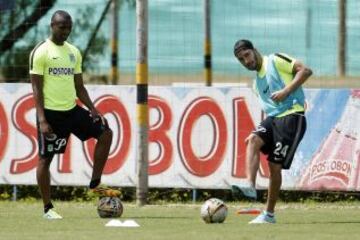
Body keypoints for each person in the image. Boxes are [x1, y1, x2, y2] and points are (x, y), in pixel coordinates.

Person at [29, 10, 120, 220]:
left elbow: (79, 86)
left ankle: (95, 184)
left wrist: (93, 109)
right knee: (45, 159)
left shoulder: (74, 53)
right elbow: (36, 90)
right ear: (52, 26)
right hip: (51, 115)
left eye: (69, 28)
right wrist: (42, 119)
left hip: (72, 111)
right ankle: (47, 208)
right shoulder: (41, 52)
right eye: (62, 27)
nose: (66, 32)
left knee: (106, 133)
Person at [232, 39, 312, 224]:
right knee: (252, 140)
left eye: (247, 55)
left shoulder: (275, 60)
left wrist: (286, 90)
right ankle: (250, 188)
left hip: (293, 116)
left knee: (274, 166)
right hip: (275, 119)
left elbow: (305, 71)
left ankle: (269, 214)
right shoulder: (256, 84)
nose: (246, 61)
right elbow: (270, 110)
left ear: (255, 50)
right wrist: (260, 133)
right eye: (241, 60)